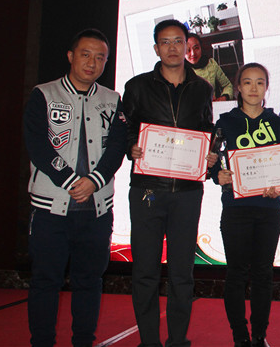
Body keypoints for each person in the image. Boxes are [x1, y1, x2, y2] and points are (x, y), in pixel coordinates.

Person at [23, 28, 127, 347]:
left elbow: (117, 146)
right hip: (50, 209)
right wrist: (70, 180)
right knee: (45, 280)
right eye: (85, 54)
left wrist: (94, 181)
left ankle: (84, 341)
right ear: (71, 56)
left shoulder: (112, 99)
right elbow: (37, 145)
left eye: (100, 57)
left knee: (90, 281)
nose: (92, 63)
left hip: (96, 210)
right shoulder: (44, 94)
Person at [123, 19, 217, 347]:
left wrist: (210, 154)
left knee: (182, 273)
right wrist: (131, 146)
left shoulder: (202, 88)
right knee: (145, 271)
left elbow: (206, 130)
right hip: (148, 190)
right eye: (165, 42)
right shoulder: (137, 87)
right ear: (156, 48)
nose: (173, 48)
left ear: (187, 45)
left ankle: (178, 340)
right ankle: (149, 341)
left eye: (178, 41)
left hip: (187, 192)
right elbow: (125, 129)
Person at [209, 63, 280, 347]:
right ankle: (239, 335)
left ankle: (259, 334)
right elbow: (211, 160)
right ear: (238, 87)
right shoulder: (225, 123)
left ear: (267, 87)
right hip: (236, 209)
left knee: (263, 274)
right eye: (247, 82)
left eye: (259, 82)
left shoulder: (279, 124)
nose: (254, 88)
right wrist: (217, 175)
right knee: (236, 273)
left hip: (269, 210)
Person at [185, 32, 234, 101]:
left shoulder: (211, 64)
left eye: (196, 48)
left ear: (201, 48)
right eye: (188, 50)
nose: (193, 53)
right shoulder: (179, 71)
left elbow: (227, 85)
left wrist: (224, 97)